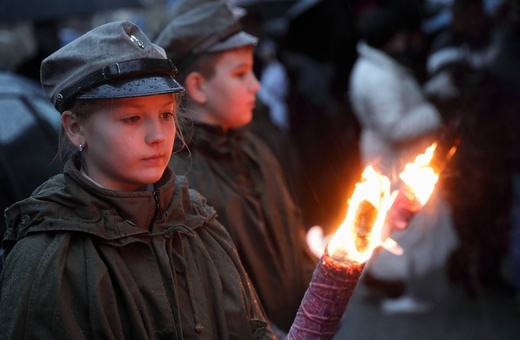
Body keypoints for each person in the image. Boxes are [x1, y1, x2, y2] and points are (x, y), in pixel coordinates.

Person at [154, 0, 318, 334]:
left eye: (253, 70)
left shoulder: (255, 146)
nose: (255, 84)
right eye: (241, 73)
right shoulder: (178, 178)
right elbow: (205, 297)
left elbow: (293, 231)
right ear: (198, 87)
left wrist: (318, 302)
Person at [348, 7, 458, 315]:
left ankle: (378, 281)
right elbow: (395, 128)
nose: (407, 41)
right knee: (399, 227)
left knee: (391, 224)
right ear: (390, 39)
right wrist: (435, 110)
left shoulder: (380, 67)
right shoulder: (378, 76)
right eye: (400, 36)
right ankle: (392, 290)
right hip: (393, 161)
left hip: (391, 158)